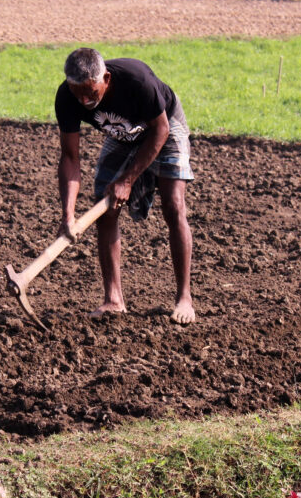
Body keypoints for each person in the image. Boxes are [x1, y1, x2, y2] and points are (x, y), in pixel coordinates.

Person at [54, 47, 196, 325]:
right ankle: (113, 299)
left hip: (163, 125)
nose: (84, 101)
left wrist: (128, 180)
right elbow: (70, 157)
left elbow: (161, 130)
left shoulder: (137, 81)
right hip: (122, 134)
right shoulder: (67, 97)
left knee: (174, 204)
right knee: (105, 208)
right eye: (77, 93)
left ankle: (184, 297)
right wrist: (67, 215)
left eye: (91, 93)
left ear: (106, 78)